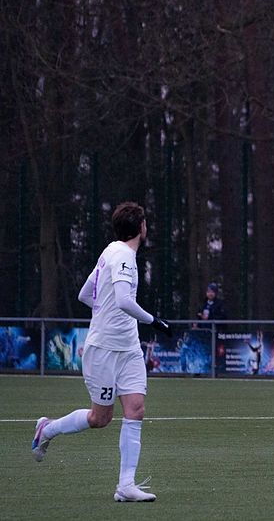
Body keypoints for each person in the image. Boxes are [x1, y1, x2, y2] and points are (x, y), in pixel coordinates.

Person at [31, 202, 172, 502]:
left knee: (136, 409)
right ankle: (47, 429)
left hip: (129, 348)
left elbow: (85, 294)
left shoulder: (111, 251)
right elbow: (122, 300)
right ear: (140, 227)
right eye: (145, 222)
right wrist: (154, 321)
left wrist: (106, 312)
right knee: (100, 418)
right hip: (104, 349)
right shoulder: (123, 255)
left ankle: (126, 486)